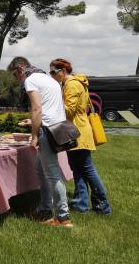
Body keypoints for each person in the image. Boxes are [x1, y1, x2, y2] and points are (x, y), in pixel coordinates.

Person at [8, 56, 72, 228]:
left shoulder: (30, 80)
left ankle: (63, 217)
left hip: (47, 130)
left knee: (52, 173)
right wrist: (34, 122)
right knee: (41, 169)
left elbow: (37, 108)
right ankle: (45, 209)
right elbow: (51, 107)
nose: (16, 79)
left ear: (21, 69)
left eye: (15, 75)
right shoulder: (49, 79)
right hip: (58, 128)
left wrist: (34, 136)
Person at [49, 58, 111, 215]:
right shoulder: (73, 83)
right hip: (75, 131)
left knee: (87, 169)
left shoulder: (72, 84)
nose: (51, 76)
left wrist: (51, 106)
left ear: (63, 71)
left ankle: (103, 206)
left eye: (53, 72)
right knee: (78, 169)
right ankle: (81, 204)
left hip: (77, 132)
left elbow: (68, 110)